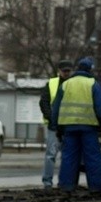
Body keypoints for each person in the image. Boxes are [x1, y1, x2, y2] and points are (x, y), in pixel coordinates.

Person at [51, 57, 101, 194]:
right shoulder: (93, 84)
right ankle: (96, 187)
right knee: (92, 157)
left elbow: (56, 108)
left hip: (69, 127)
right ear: (90, 69)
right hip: (88, 127)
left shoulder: (66, 84)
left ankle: (67, 186)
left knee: (69, 157)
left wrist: (56, 127)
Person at [39, 59, 73, 191]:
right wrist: (51, 118)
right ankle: (48, 183)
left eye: (68, 71)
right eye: (64, 71)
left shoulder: (72, 84)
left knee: (64, 156)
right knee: (51, 155)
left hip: (68, 125)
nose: (66, 73)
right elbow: (44, 102)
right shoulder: (52, 84)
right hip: (55, 126)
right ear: (59, 71)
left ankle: (63, 183)